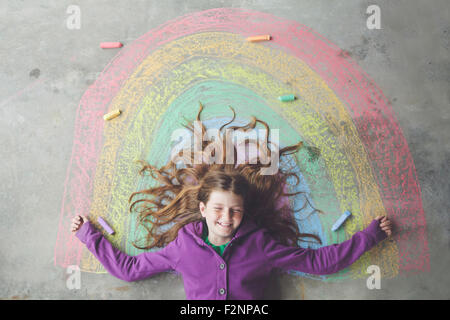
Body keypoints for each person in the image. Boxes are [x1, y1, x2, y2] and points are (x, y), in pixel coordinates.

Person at [71, 104, 392, 300]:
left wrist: (371, 235)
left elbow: (321, 262)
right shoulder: (183, 247)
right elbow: (129, 269)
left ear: (244, 211)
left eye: (235, 210)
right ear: (202, 210)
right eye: (218, 209)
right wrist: (90, 235)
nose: (227, 217)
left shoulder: (262, 246)